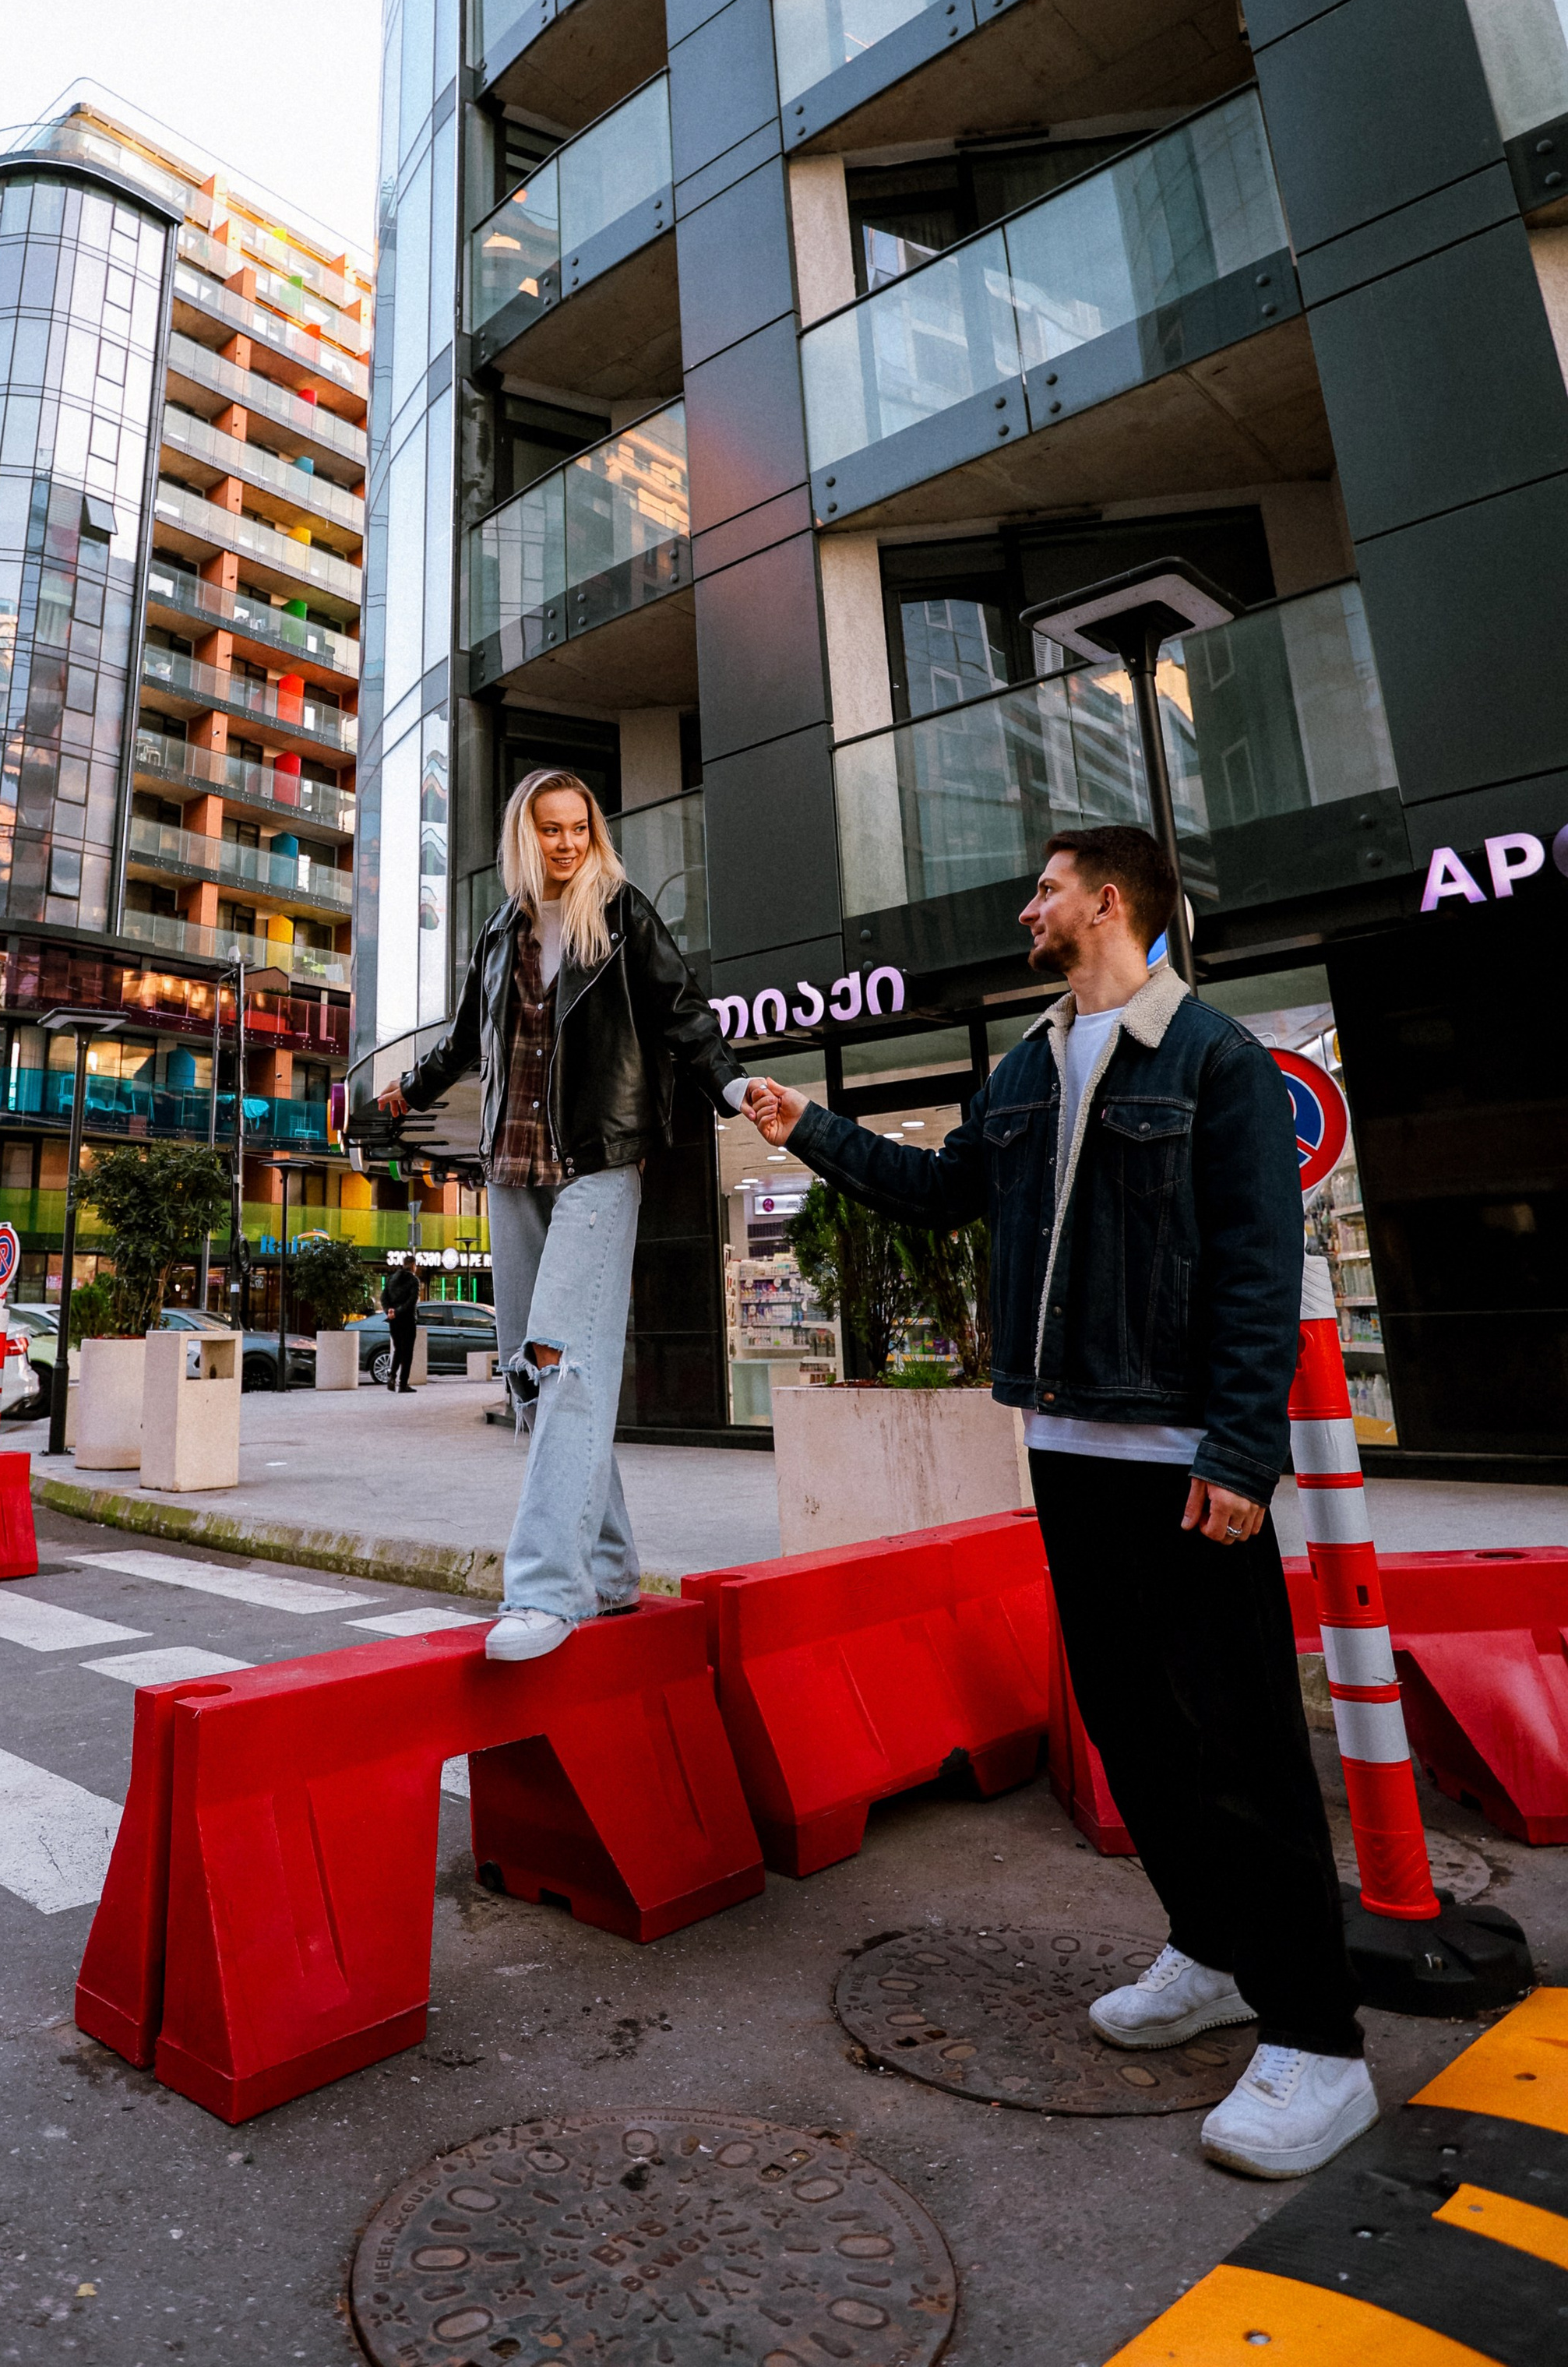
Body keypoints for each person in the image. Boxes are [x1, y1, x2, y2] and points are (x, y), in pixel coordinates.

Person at [750, 823, 1376, 2182]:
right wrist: (811, 1128)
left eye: (1045, 888)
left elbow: (1261, 1269)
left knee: (1242, 1745)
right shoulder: (1030, 1064)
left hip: (1181, 1459)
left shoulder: (1216, 1060)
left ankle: (1321, 2042)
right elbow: (942, 1192)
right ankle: (1209, 1954)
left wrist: (1236, 1456)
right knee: (1136, 1729)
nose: (1026, 905)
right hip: (1069, 1442)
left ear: (1107, 902)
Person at [379, 767, 766, 1660]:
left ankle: (550, 1594)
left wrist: (734, 1084)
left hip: (597, 1162)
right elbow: (466, 1038)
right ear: (525, 836)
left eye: (578, 828)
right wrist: (409, 1090)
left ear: (594, 833)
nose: (564, 843)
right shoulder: (499, 931)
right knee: (533, 1381)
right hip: (511, 1168)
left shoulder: (620, 913)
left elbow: (683, 1015)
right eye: (548, 829)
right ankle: (613, 1568)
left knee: (562, 1360)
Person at [380, 1252, 420, 1393]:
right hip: (407, 1319)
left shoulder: (392, 1279)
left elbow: (383, 1297)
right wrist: (398, 1311)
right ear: (413, 1265)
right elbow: (412, 1301)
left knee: (398, 1349)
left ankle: (392, 1376)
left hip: (394, 1321)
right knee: (407, 1352)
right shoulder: (413, 1281)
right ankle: (403, 1384)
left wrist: (389, 1311)